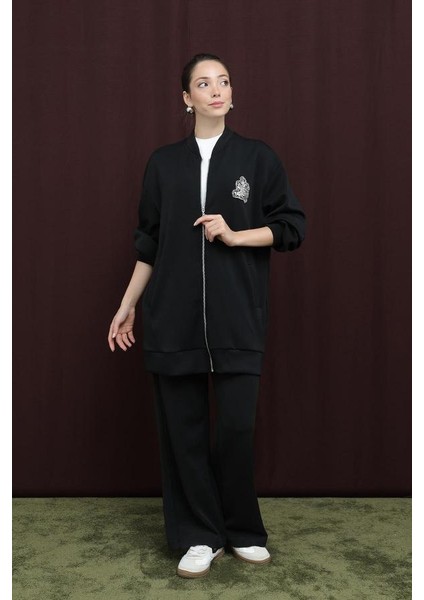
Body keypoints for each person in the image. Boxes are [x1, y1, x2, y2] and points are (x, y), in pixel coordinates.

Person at [107, 53, 306, 579]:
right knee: (184, 433)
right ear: (186, 98)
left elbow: (291, 226)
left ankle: (242, 529)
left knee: (236, 429)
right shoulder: (163, 164)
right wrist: (128, 305)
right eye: (203, 83)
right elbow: (149, 243)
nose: (216, 90)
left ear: (231, 94)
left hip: (238, 317)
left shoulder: (257, 158)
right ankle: (199, 534)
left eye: (223, 81)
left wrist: (236, 235)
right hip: (172, 318)